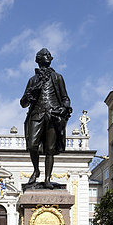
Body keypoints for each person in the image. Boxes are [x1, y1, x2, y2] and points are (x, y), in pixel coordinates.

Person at [20, 48, 72, 188]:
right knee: (32, 145)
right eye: (45, 55)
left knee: (50, 148)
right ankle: (36, 170)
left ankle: (47, 178)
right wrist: (29, 95)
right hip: (36, 115)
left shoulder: (57, 77)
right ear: (38, 59)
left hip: (53, 115)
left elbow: (65, 98)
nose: (48, 56)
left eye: (49, 55)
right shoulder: (32, 80)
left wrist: (64, 108)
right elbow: (23, 103)